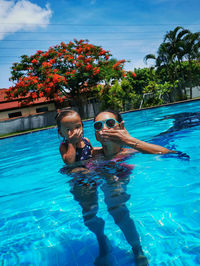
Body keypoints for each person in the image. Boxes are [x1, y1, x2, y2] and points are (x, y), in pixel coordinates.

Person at [93, 109, 173, 158]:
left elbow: (168, 152)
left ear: (121, 128)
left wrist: (128, 140)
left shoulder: (131, 153)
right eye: (98, 125)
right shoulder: (92, 154)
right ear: (96, 136)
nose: (104, 128)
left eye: (110, 123)